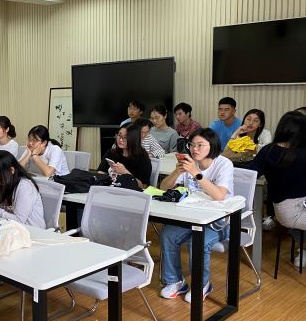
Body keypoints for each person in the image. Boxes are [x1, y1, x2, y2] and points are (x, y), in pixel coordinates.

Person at [159, 128, 234, 302]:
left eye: (200, 145)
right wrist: (177, 172)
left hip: (220, 220)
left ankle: (202, 285)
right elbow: (163, 187)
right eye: (192, 145)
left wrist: (195, 173)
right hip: (192, 216)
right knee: (168, 235)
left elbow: (219, 195)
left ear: (212, 146)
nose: (195, 149)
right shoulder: (190, 162)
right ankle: (175, 281)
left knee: (197, 242)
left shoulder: (223, 164)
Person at [0, 150, 45, 319]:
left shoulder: (24, 186)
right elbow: (0, 209)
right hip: (10, 232)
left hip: (30, 236)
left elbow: (19, 220)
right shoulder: (5, 182)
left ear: (11, 170)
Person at [248, 111, 306, 269]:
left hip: (280, 211)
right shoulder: (302, 154)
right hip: (297, 210)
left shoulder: (268, 150)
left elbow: (250, 174)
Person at [97, 122, 151, 189]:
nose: (120, 140)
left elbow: (143, 187)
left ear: (134, 139)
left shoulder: (143, 159)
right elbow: (100, 173)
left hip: (131, 192)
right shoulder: (111, 153)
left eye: (125, 137)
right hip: (110, 189)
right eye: (119, 135)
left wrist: (125, 172)